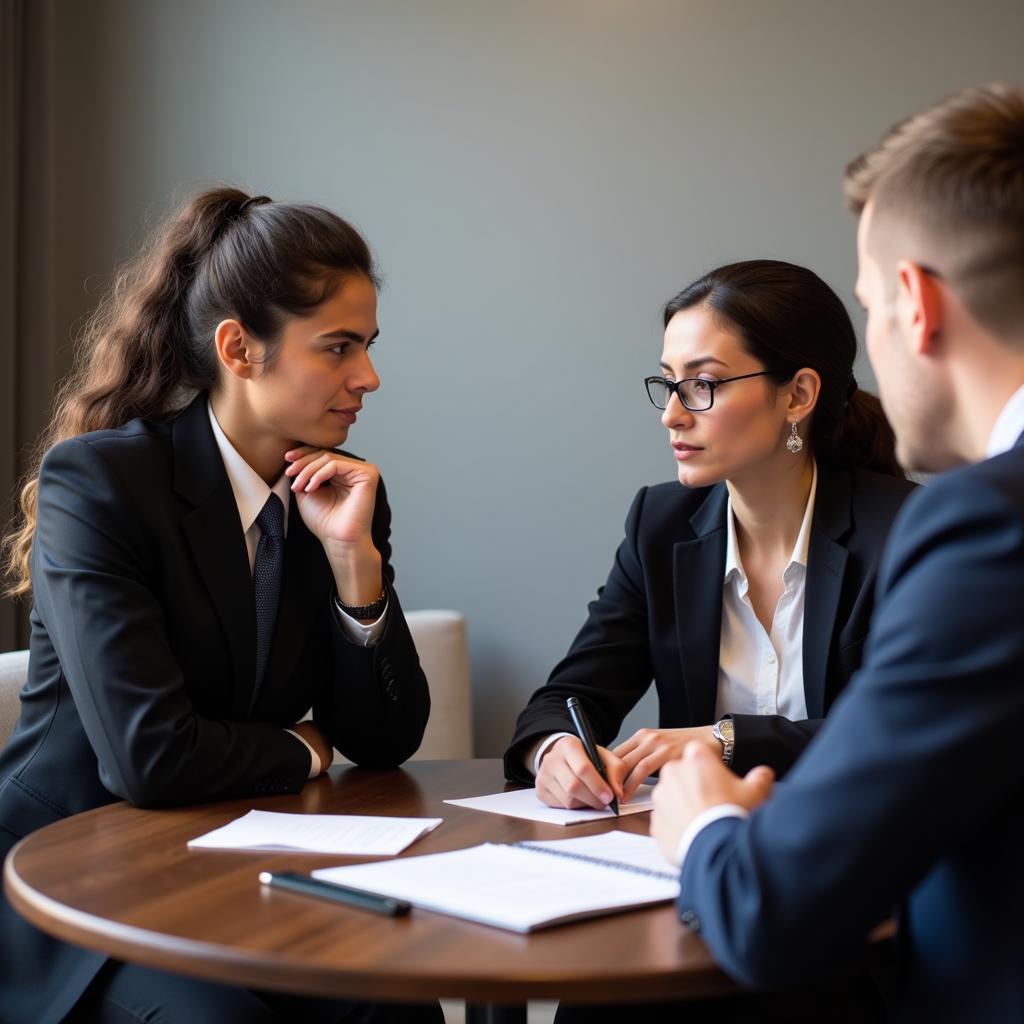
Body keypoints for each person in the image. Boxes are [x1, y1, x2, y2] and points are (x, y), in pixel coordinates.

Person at [0, 188, 440, 1023]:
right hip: (76, 886)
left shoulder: (341, 499)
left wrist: (355, 562)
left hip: (237, 870)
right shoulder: (101, 484)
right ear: (240, 348)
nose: (369, 378)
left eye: (369, 346)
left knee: (396, 1002)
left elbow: (384, 741)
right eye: (339, 348)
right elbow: (150, 760)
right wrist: (306, 749)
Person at [650, 83, 1024, 1023]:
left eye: (870, 303)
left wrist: (701, 824)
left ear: (914, 302)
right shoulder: (658, 526)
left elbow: (771, 914)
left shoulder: (982, 526)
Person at [505, 259, 915, 815]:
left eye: (703, 384)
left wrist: (725, 741)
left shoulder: (907, 529)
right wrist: (555, 750)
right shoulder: (660, 524)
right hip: (693, 859)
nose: (672, 415)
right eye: (669, 383)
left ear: (797, 394)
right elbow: (566, 698)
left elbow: (902, 729)